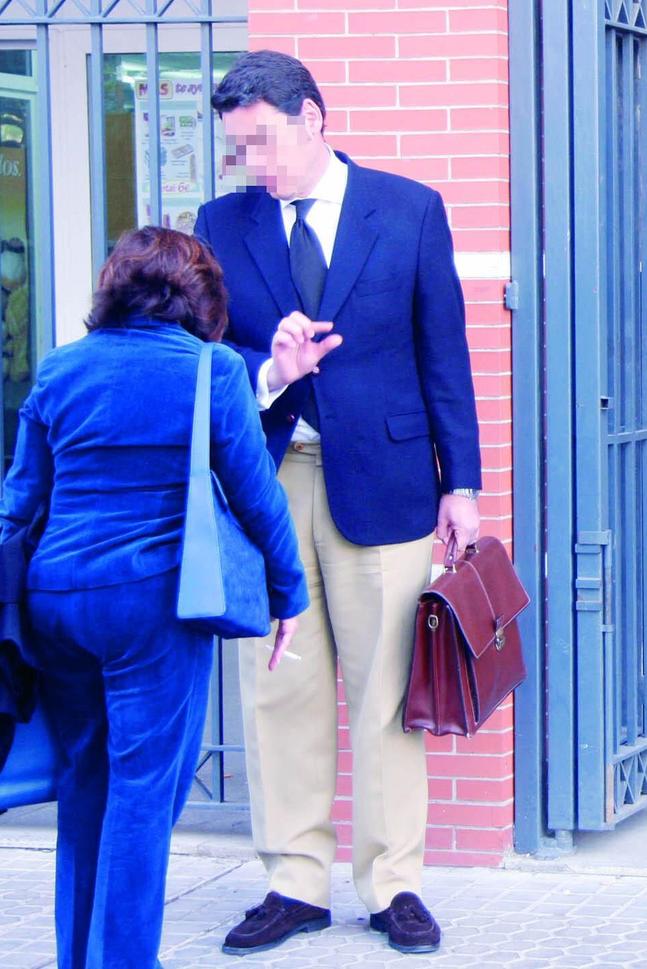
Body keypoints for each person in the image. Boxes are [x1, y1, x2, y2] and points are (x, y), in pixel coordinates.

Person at [196, 50, 482, 956]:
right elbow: (203, 360)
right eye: (239, 148)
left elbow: (445, 353)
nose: (253, 164)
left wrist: (462, 485)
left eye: (264, 141)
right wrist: (269, 371)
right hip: (268, 483)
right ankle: (294, 882)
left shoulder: (408, 210)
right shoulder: (220, 222)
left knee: (387, 692)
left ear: (313, 117)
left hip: (390, 484)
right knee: (278, 685)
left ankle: (392, 884)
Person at [0, 227, 306, 968]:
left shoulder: (58, 369)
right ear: (201, 300)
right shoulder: (212, 371)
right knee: (143, 794)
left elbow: (19, 503)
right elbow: (256, 495)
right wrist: (287, 592)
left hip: (58, 600)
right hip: (156, 603)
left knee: (85, 786)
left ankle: (84, 958)